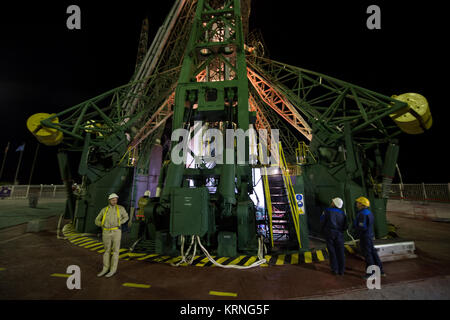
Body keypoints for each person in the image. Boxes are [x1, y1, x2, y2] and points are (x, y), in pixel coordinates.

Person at [95, 193, 129, 278]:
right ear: (109, 200)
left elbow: (126, 217)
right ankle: (105, 269)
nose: (115, 201)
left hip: (116, 231)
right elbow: (96, 220)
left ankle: (113, 270)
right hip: (106, 232)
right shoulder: (104, 210)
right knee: (106, 251)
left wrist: (120, 223)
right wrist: (101, 224)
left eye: (116, 200)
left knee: (115, 251)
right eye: (113, 200)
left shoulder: (120, 208)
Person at [354, 196, 386, 278]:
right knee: (373, 253)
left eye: (358, 203)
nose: (356, 204)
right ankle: (380, 271)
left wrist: (356, 230)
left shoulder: (362, 214)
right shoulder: (369, 212)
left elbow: (362, 227)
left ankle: (370, 273)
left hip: (365, 237)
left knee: (368, 255)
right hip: (370, 235)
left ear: (361, 204)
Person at [320, 197, 347, 276]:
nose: (331, 202)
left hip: (329, 234)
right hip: (339, 234)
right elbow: (346, 226)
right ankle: (341, 270)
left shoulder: (327, 211)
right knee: (341, 252)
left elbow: (322, 222)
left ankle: (335, 269)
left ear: (334, 204)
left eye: (332, 202)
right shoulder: (343, 213)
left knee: (332, 252)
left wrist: (323, 231)